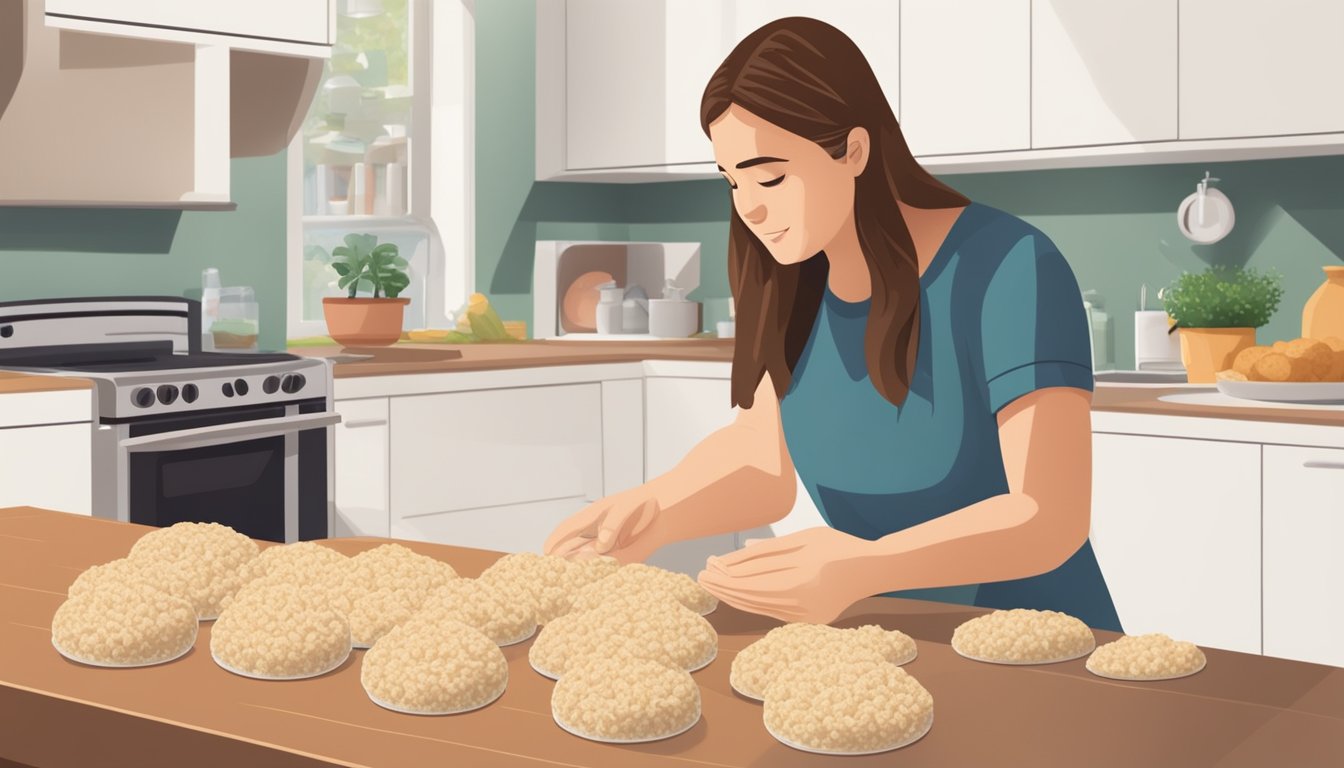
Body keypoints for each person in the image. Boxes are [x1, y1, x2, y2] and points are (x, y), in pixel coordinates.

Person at [544, 16, 1122, 632]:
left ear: (854, 150)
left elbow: (1047, 515)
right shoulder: (792, 281)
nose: (751, 206)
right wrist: (652, 509)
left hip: (1046, 651)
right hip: (884, 648)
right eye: (733, 181)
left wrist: (867, 567)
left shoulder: (1008, 267)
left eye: (769, 176)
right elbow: (763, 460)